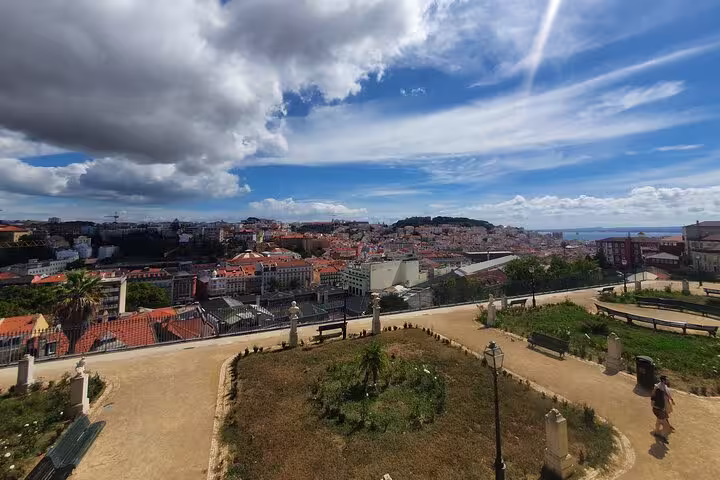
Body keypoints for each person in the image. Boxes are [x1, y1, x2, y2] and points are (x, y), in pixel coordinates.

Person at [651, 376, 674, 442]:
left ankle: (656, 432)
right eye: (666, 380)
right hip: (661, 409)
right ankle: (663, 436)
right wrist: (671, 400)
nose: (667, 381)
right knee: (666, 426)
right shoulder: (666, 389)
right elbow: (668, 397)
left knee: (658, 421)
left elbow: (652, 397)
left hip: (654, 408)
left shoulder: (656, 386)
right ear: (664, 381)